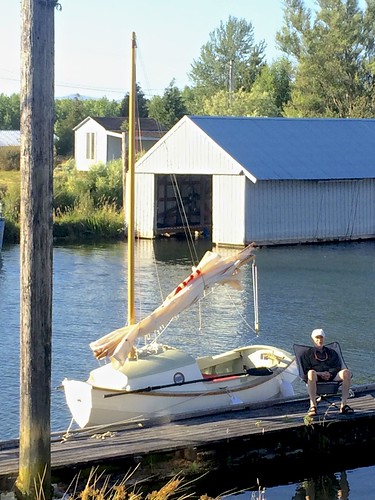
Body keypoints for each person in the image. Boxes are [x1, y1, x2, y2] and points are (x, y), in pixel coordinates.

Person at [301, 328, 353, 416]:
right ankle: (313, 406)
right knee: (311, 373)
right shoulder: (307, 354)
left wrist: (330, 373)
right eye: (317, 338)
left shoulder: (331, 352)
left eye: (321, 338)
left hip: (331, 375)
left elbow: (337, 366)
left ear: (324, 338)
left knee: (346, 372)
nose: (319, 340)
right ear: (313, 339)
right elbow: (306, 370)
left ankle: (343, 405)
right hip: (316, 377)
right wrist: (320, 374)